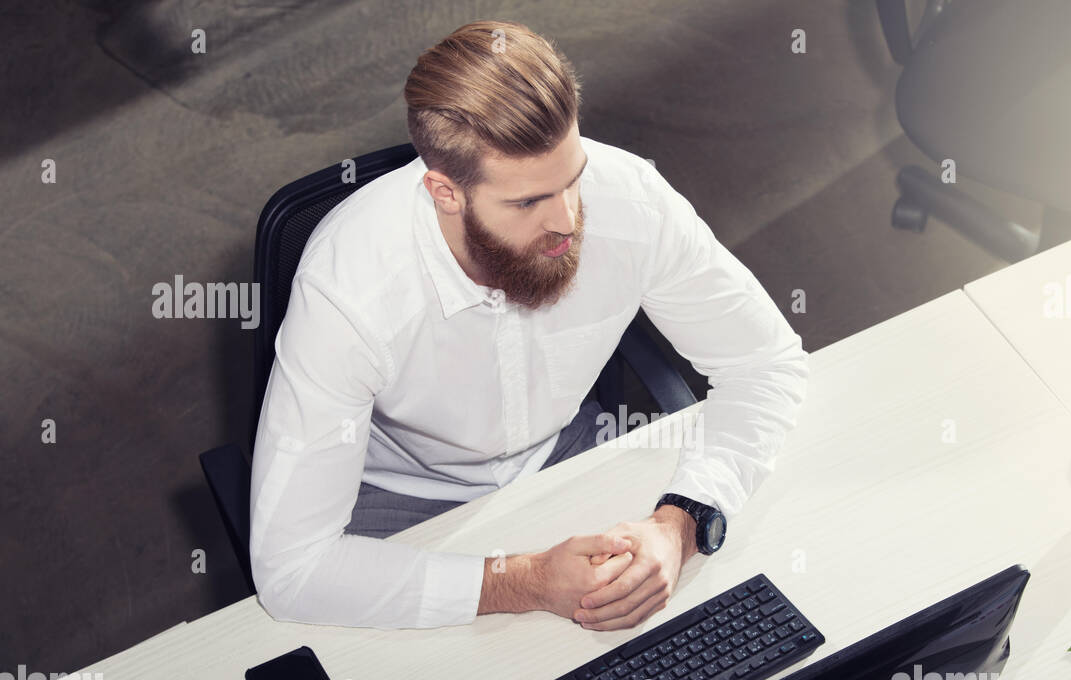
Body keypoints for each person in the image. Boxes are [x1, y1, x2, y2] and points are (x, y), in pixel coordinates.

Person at [248, 20, 808, 633]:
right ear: (445, 192)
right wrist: (525, 581)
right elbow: (291, 569)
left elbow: (765, 363)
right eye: (526, 203)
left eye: (571, 180)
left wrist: (682, 523)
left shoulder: (632, 201)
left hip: (567, 453)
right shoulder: (349, 286)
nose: (568, 221)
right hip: (404, 501)